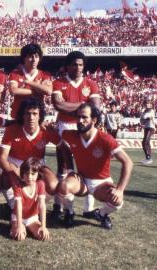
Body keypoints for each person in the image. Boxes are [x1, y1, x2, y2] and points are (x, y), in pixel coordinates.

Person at [57, 103, 133, 229]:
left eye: (84, 117)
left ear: (94, 120)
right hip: (81, 180)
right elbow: (63, 145)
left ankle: (101, 214)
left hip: (101, 183)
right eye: (78, 117)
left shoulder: (105, 139)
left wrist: (120, 190)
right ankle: (69, 213)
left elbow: (128, 162)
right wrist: (70, 170)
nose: (80, 121)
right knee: (64, 185)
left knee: (117, 201)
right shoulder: (70, 135)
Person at [51, 51, 101, 220]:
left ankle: (88, 209)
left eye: (80, 64)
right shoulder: (58, 83)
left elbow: (95, 108)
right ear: (67, 66)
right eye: (74, 64)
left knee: (89, 168)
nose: (78, 67)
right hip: (64, 127)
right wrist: (83, 106)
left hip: (86, 128)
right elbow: (58, 105)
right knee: (63, 167)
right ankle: (60, 206)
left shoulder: (91, 84)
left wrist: (72, 107)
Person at [0, 97, 60, 209]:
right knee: (7, 176)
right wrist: (12, 172)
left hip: (37, 164)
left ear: (40, 116)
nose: (31, 117)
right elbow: (2, 157)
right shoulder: (12, 129)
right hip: (15, 163)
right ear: (22, 115)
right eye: (28, 113)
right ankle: (13, 204)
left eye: (35, 114)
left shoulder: (46, 130)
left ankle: (33, 205)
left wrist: (68, 169)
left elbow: (63, 146)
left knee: (53, 185)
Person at [10, 158, 50, 241]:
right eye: (26, 174)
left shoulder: (40, 184)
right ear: (22, 174)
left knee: (43, 236)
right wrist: (20, 225)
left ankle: (29, 227)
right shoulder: (18, 186)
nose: (29, 177)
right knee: (19, 237)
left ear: (38, 174)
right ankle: (15, 226)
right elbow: (19, 206)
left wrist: (43, 226)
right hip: (18, 217)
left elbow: (42, 205)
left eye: (33, 174)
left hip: (32, 218)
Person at [9, 43, 52, 118]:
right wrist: (37, 89)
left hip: (37, 117)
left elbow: (48, 91)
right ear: (24, 58)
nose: (34, 60)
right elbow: (13, 90)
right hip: (18, 115)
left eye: (36, 56)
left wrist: (28, 82)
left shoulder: (45, 74)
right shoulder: (15, 73)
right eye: (30, 57)